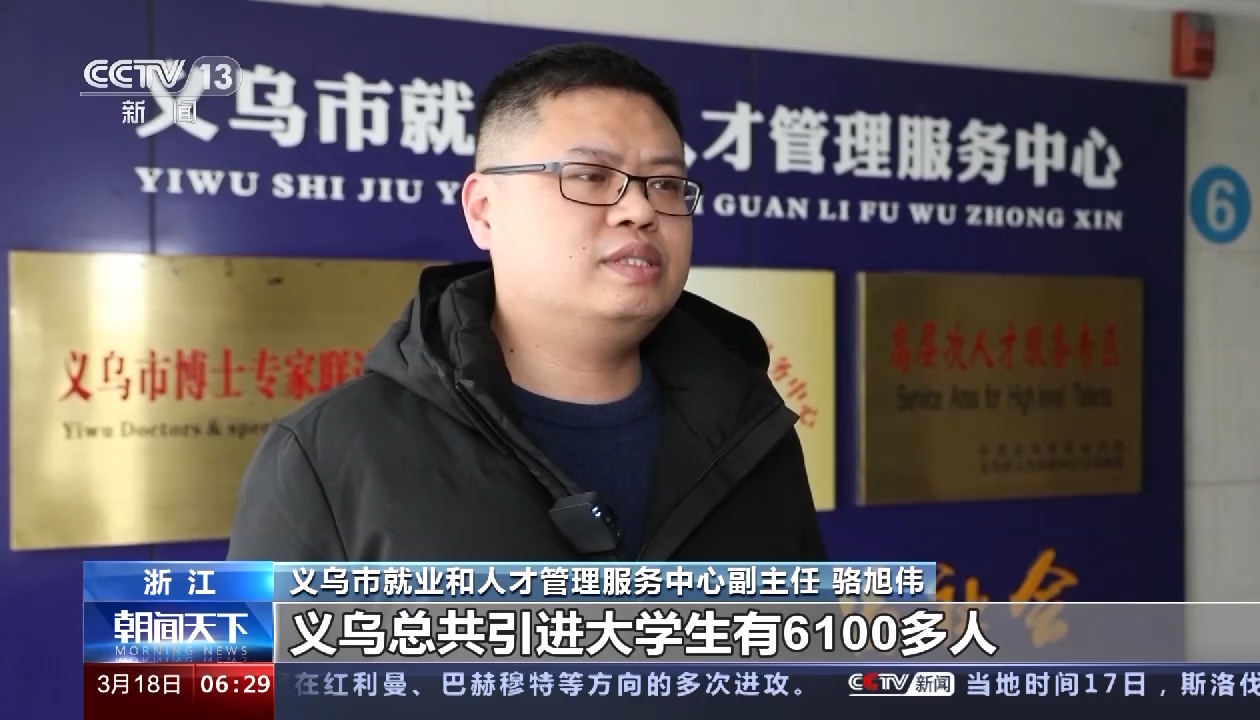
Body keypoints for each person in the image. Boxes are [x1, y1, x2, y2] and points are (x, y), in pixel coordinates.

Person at [227, 42, 827, 562]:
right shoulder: (328, 454)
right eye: (590, 176)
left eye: (666, 184)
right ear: (484, 211)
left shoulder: (752, 432)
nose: (641, 210)